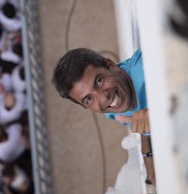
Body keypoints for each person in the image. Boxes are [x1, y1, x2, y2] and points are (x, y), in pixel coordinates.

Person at [53, 48, 155, 185]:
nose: (103, 98)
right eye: (88, 99)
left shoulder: (149, 66)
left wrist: (158, 114)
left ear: (111, 65)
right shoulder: (112, 112)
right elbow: (140, 123)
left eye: (99, 81)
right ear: (86, 107)